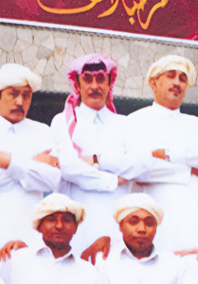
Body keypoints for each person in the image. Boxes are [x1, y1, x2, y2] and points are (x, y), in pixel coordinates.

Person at [0, 63, 61, 261]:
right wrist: (31, 162)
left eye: (26, 95)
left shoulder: (43, 131)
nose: (19, 101)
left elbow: (51, 180)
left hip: (28, 234)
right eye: (13, 94)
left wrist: (7, 160)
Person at [127, 54, 198, 254]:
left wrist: (171, 156)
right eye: (171, 76)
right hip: (154, 218)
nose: (177, 83)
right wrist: (190, 171)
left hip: (193, 220)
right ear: (154, 83)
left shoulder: (197, 124)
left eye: (182, 78)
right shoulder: (135, 121)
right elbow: (140, 169)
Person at [51, 53, 146, 253]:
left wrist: (96, 160)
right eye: (88, 79)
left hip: (116, 223)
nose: (95, 86)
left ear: (109, 83)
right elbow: (68, 167)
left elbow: (140, 165)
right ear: (77, 84)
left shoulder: (125, 124)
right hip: (78, 224)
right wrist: (114, 180)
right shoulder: (63, 121)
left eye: (101, 79)